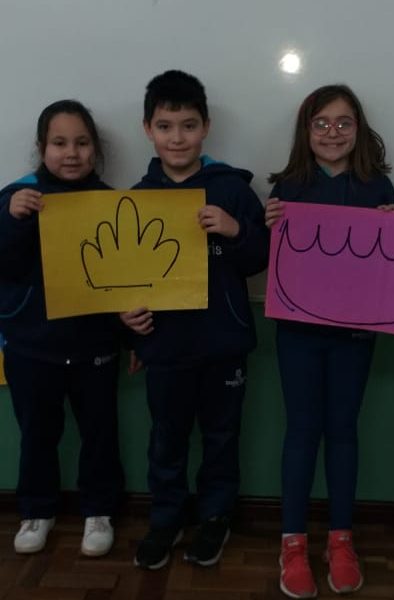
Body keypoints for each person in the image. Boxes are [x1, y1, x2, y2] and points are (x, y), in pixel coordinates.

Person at [120, 70, 269, 571]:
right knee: (167, 438)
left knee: (222, 437)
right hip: (165, 346)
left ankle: (215, 517)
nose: (177, 138)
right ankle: (166, 518)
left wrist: (234, 230)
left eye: (188, 125)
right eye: (165, 126)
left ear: (205, 127)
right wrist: (130, 331)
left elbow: (261, 258)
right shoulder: (136, 197)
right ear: (148, 129)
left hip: (223, 344)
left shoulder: (232, 190)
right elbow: (124, 279)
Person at [265, 84, 394, 598]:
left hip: (355, 335)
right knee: (301, 431)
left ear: (359, 129)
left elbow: (392, 270)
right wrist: (267, 226)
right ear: (306, 130)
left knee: (343, 430)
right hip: (298, 333)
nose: (332, 133)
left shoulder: (376, 188)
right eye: (321, 123)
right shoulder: (289, 187)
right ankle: (292, 543)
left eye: (344, 123)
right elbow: (266, 260)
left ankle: (341, 540)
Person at [0, 100, 124, 557]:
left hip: (95, 345)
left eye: (81, 143)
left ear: (95, 149)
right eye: (59, 143)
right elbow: (4, 262)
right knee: (37, 433)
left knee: (100, 433)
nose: (71, 153)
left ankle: (99, 510)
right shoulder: (17, 197)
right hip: (32, 346)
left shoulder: (112, 201)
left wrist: (131, 338)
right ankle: (37, 510)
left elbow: (127, 278)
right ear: (42, 148)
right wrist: (12, 217)